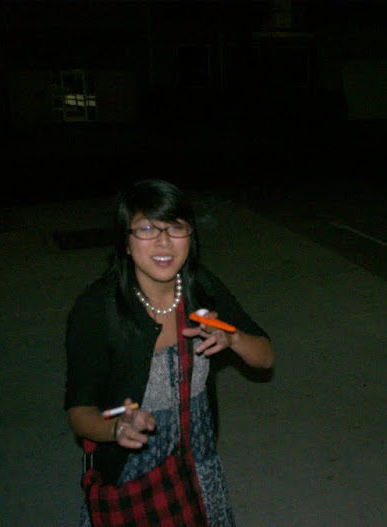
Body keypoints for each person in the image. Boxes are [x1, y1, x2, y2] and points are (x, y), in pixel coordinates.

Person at [64, 178, 274, 526]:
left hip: (198, 464)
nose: (163, 241)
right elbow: (79, 412)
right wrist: (116, 429)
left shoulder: (199, 287)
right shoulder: (98, 308)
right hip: (133, 472)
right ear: (125, 242)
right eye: (147, 228)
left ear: (190, 237)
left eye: (175, 227)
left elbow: (265, 357)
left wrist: (233, 338)